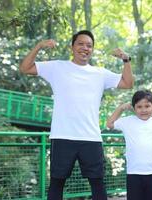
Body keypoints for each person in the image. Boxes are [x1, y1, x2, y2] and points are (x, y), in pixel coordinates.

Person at [19, 30, 134, 200]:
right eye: (80, 44)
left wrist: (126, 60)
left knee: (97, 182)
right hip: (62, 135)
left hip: (91, 137)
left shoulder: (100, 73)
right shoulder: (57, 67)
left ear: (92, 50)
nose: (85, 48)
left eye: (89, 45)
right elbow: (25, 68)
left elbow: (128, 83)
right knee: (57, 182)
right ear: (72, 47)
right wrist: (39, 46)